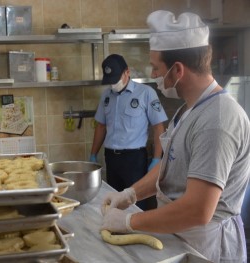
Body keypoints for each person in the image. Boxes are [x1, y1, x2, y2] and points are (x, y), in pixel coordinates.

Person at [101, 10, 250, 263]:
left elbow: (198, 210)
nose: (153, 74)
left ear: (177, 69)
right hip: (182, 236)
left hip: (208, 246)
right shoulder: (189, 109)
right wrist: (131, 194)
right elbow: (171, 167)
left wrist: (130, 221)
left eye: (156, 67)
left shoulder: (218, 119)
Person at [90, 54, 167, 210]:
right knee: (113, 202)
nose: (113, 84)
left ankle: (137, 232)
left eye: (116, 79)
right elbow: (100, 126)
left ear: (127, 72)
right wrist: (93, 154)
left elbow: (159, 126)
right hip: (111, 158)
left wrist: (157, 158)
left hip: (134, 160)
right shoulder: (106, 96)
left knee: (136, 204)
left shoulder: (145, 93)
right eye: (110, 81)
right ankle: (115, 233)